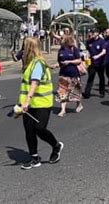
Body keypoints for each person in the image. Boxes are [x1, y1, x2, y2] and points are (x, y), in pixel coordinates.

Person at [19, 37, 63, 170]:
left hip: (42, 103)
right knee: (29, 130)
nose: (22, 49)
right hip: (30, 104)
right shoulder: (30, 63)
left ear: (29, 47)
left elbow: (35, 82)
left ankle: (56, 145)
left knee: (39, 128)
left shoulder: (38, 63)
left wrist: (27, 100)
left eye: (24, 46)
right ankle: (34, 158)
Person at [55, 35, 83, 117]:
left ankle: (79, 104)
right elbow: (59, 61)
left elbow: (79, 61)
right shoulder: (60, 50)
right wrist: (56, 65)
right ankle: (63, 110)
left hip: (73, 73)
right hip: (63, 74)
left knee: (76, 91)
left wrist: (69, 62)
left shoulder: (74, 49)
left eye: (61, 39)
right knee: (62, 92)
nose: (60, 40)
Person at [83, 29, 106, 99]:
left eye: (94, 32)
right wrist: (86, 57)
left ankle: (102, 92)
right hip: (92, 63)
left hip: (100, 63)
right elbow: (87, 51)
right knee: (90, 77)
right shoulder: (89, 41)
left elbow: (104, 51)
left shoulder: (102, 41)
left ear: (98, 33)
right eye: (91, 32)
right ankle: (87, 93)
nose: (92, 34)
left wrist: (98, 56)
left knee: (101, 77)